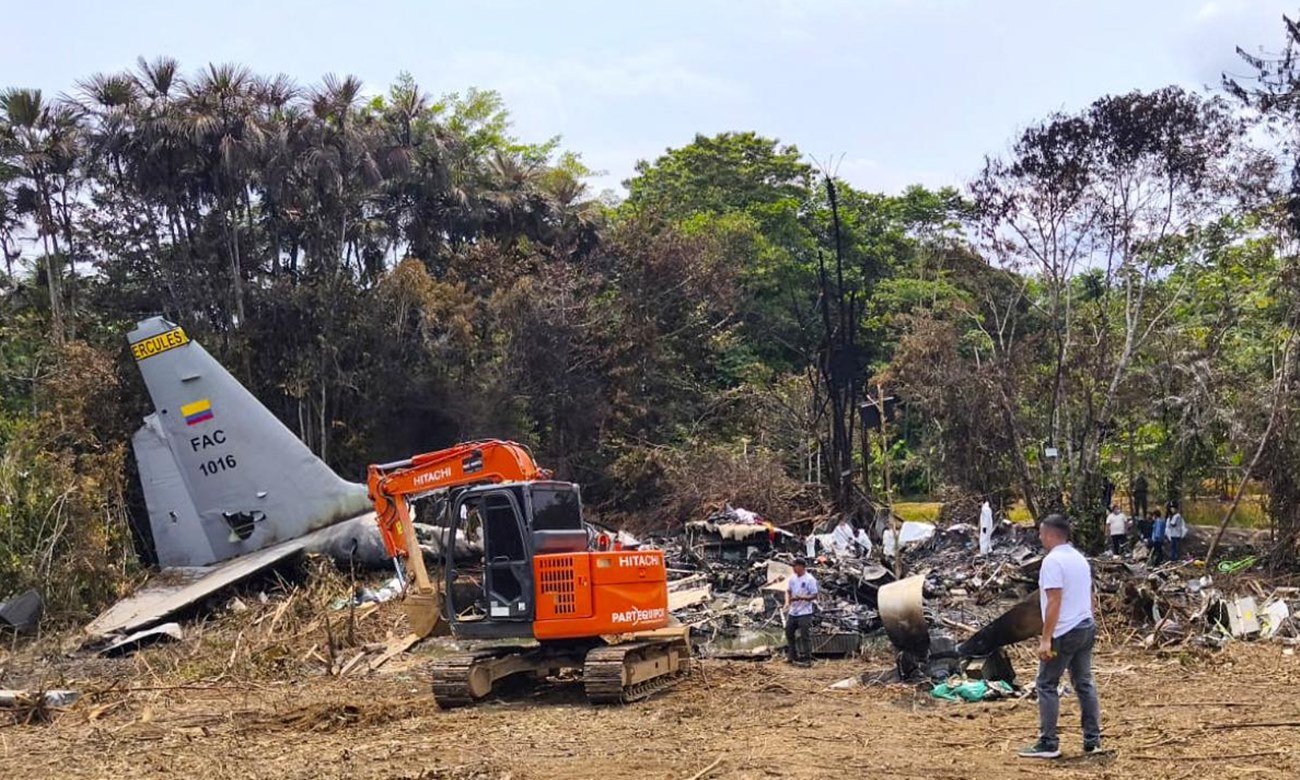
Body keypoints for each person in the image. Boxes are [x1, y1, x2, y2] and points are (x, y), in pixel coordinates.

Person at [1019, 514, 1102, 759]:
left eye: (1042, 533)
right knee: (1084, 684)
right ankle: (1092, 740)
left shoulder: (1053, 562)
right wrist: (1090, 619)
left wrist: (1046, 639)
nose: (1040, 537)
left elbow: (1054, 601)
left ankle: (1048, 742)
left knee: (1046, 684)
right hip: (1085, 626)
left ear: (1052, 535)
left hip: (1064, 631)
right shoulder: (1079, 559)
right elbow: (1089, 595)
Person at [784, 558, 818, 666]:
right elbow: (788, 591)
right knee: (789, 632)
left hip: (805, 612)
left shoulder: (809, 579)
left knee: (805, 635)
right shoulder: (792, 578)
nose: (793, 568)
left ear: (801, 567)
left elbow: (814, 595)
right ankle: (792, 655)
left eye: (795, 566)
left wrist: (802, 598)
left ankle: (808, 658)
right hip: (793, 611)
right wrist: (787, 602)